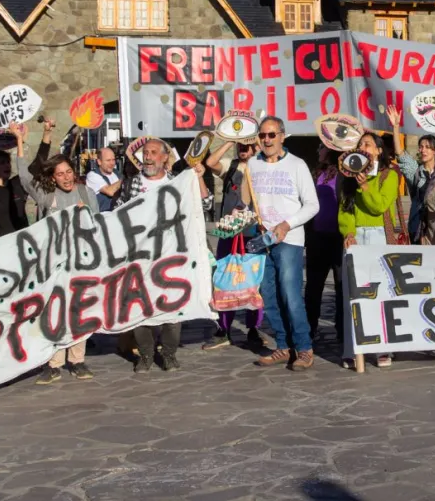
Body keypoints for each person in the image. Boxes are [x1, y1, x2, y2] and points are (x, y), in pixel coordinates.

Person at [115, 138, 213, 372]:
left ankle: (168, 353)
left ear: (164, 158)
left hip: (171, 257)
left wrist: (198, 176)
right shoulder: (130, 185)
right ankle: (146, 354)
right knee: (140, 308)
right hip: (139, 257)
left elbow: (206, 204)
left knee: (172, 307)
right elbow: (116, 214)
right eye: (144, 153)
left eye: (152, 153)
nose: (147, 157)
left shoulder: (178, 183)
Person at [14, 123, 101, 384]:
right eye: (60, 173)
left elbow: (99, 227)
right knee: (53, 312)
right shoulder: (46, 195)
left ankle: (77, 360)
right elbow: (23, 176)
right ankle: (53, 362)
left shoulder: (86, 193)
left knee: (78, 311)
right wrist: (20, 141)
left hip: (81, 264)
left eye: (69, 172)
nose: (66, 177)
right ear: (53, 177)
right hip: (52, 264)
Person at [249, 116, 320, 372]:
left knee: (290, 295)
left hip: (289, 239)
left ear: (282, 136)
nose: (266, 140)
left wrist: (286, 225)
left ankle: (304, 348)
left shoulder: (297, 165)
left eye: (271, 135)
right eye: (262, 135)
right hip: (261, 240)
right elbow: (248, 202)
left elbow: (313, 205)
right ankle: (283, 345)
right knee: (268, 295)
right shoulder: (251, 165)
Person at [338, 133, 401, 368]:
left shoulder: (389, 176)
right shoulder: (348, 176)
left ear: (378, 151)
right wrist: (349, 232)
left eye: (367, 144)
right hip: (356, 237)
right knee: (352, 295)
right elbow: (345, 209)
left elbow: (380, 206)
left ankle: (383, 348)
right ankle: (353, 348)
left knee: (380, 294)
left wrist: (364, 186)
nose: (362, 148)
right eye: (359, 145)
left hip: (379, 237)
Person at [203, 140, 264, 350]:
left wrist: (257, 145)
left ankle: (253, 328)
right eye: (241, 145)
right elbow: (211, 162)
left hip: (253, 234)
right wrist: (229, 139)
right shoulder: (230, 166)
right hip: (229, 234)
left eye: (247, 145)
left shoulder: (261, 167)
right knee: (224, 279)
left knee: (253, 281)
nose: (243, 148)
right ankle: (224, 328)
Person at [304, 144, 344, 344]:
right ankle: (310, 327)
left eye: (321, 147)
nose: (318, 150)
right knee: (313, 287)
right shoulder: (315, 173)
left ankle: (342, 329)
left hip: (339, 238)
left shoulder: (345, 173)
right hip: (317, 238)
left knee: (341, 286)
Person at [387, 104, 435, 244]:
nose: (423, 150)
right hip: (418, 229)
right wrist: (396, 127)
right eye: (421, 147)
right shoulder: (416, 171)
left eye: (428, 147)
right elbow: (401, 154)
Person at [85, 146, 121, 212]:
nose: (112, 163)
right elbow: (110, 191)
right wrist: (125, 179)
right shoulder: (92, 175)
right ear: (99, 162)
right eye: (108, 160)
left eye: (113, 160)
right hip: (102, 218)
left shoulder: (116, 173)